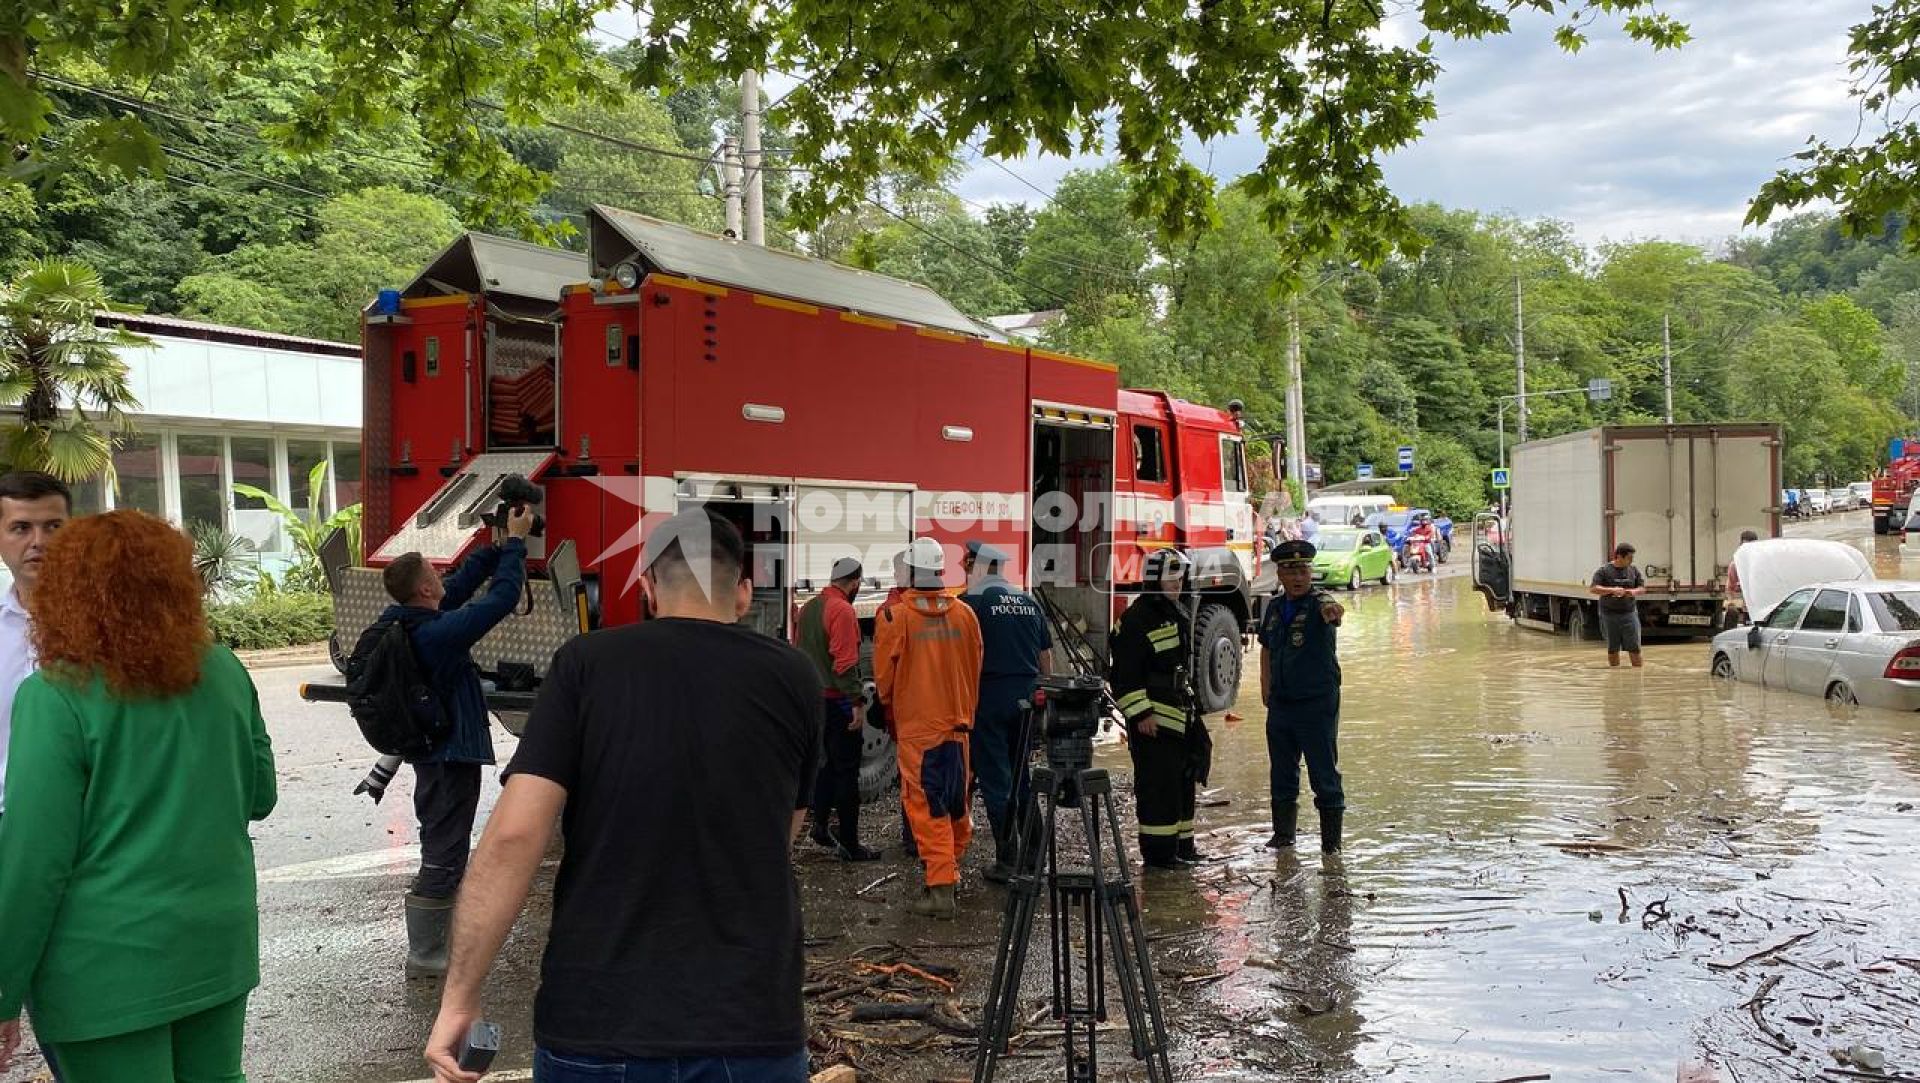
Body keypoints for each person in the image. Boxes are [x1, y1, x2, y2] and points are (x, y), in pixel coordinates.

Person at [423, 508, 818, 1083]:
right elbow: (781, 831)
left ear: (651, 589)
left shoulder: (586, 665)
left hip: (598, 1025)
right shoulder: (796, 678)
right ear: (743, 592)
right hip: (751, 1023)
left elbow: (513, 836)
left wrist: (460, 996)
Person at [0, 511, 275, 1082]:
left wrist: (4, 991)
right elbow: (261, 794)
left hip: (104, 969)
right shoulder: (223, 668)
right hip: (214, 947)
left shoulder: (54, 696)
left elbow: (33, 863)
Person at [379, 505, 532, 976]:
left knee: (443, 843)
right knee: (444, 852)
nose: (441, 576)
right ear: (425, 588)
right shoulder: (438, 636)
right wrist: (518, 545)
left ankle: (435, 950)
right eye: (434, 573)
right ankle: (426, 956)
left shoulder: (408, 619)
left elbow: (461, 587)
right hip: (447, 757)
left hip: (435, 754)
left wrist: (494, 546)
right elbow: (502, 600)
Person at [875, 537, 982, 919]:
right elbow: (975, 665)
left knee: (926, 807)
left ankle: (940, 892)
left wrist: (884, 705)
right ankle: (947, 872)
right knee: (956, 803)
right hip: (960, 725)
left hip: (921, 729)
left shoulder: (895, 617)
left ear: (910, 573)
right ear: (939, 571)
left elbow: (884, 680)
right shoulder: (965, 614)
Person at [960, 540, 1054, 884]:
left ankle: (1007, 859)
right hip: (1027, 698)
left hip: (989, 696)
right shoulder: (1028, 601)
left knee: (996, 780)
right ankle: (1033, 855)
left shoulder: (971, 603)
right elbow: (1046, 658)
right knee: (1022, 777)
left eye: (968, 566)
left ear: (978, 567)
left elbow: (961, 656)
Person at [1110, 549, 1201, 869]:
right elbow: (1123, 676)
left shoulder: (1175, 611)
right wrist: (1140, 715)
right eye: (1170, 576)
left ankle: (1183, 847)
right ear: (1153, 579)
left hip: (1180, 713)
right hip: (1155, 719)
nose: (1177, 582)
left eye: (1180, 576)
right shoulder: (1136, 619)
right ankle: (1160, 856)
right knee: (1159, 787)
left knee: (1183, 780)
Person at [1257, 540, 1348, 853]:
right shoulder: (1274, 608)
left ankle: (1331, 847)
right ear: (1280, 575)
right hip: (1281, 704)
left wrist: (1333, 612)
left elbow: (1332, 610)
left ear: (1311, 572)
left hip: (1315, 703)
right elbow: (1266, 648)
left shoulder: (1319, 601)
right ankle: (1283, 836)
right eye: (1290, 571)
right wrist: (1265, 685)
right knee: (1282, 772)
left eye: (1303, 570)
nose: (1298, 577)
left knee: (1324, 772)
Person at [797, 556, 879, 860]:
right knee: (847, 771)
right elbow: (845, 664)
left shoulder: (809, 607)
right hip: (838, 701)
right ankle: (850, 844)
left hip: (814, 699)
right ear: (855, 582)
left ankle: (819, 825)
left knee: (825, 765)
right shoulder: (842, 610)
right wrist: (857, 703)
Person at [0, 470, 69, 825]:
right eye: (21, 528)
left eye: (54, 526)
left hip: (90, 829)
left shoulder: (113, 629)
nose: (39, 541)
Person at [1590, 542, 1646, 668]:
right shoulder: (1604, 571)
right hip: (1609, 614)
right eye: (1629, 558)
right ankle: (1614, 676)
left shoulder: (1634, 570)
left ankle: (1637, 676)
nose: (1631, 561)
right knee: (1613, 647)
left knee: (1634, 647)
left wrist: (1633, 592)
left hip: (1629, 613)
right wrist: (1612, 590)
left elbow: (1642, 588)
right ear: (1619, 557)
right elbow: (1593, 588)